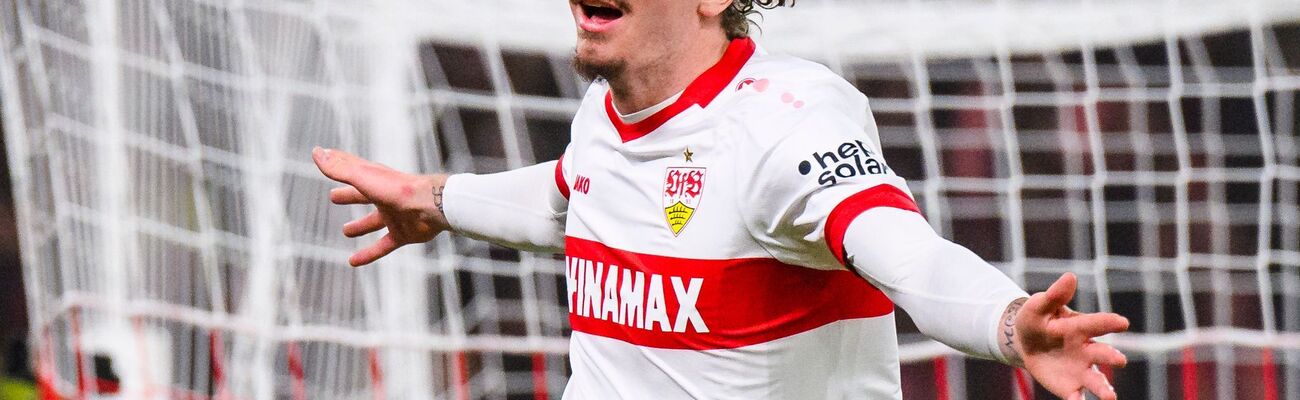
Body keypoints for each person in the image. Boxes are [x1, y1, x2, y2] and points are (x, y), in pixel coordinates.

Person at [312, 0, 1130, 398]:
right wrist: (438, 199)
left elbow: (899, 248)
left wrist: (1003, 321)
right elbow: (571, 197)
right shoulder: (608, 111)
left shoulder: (786, 123)